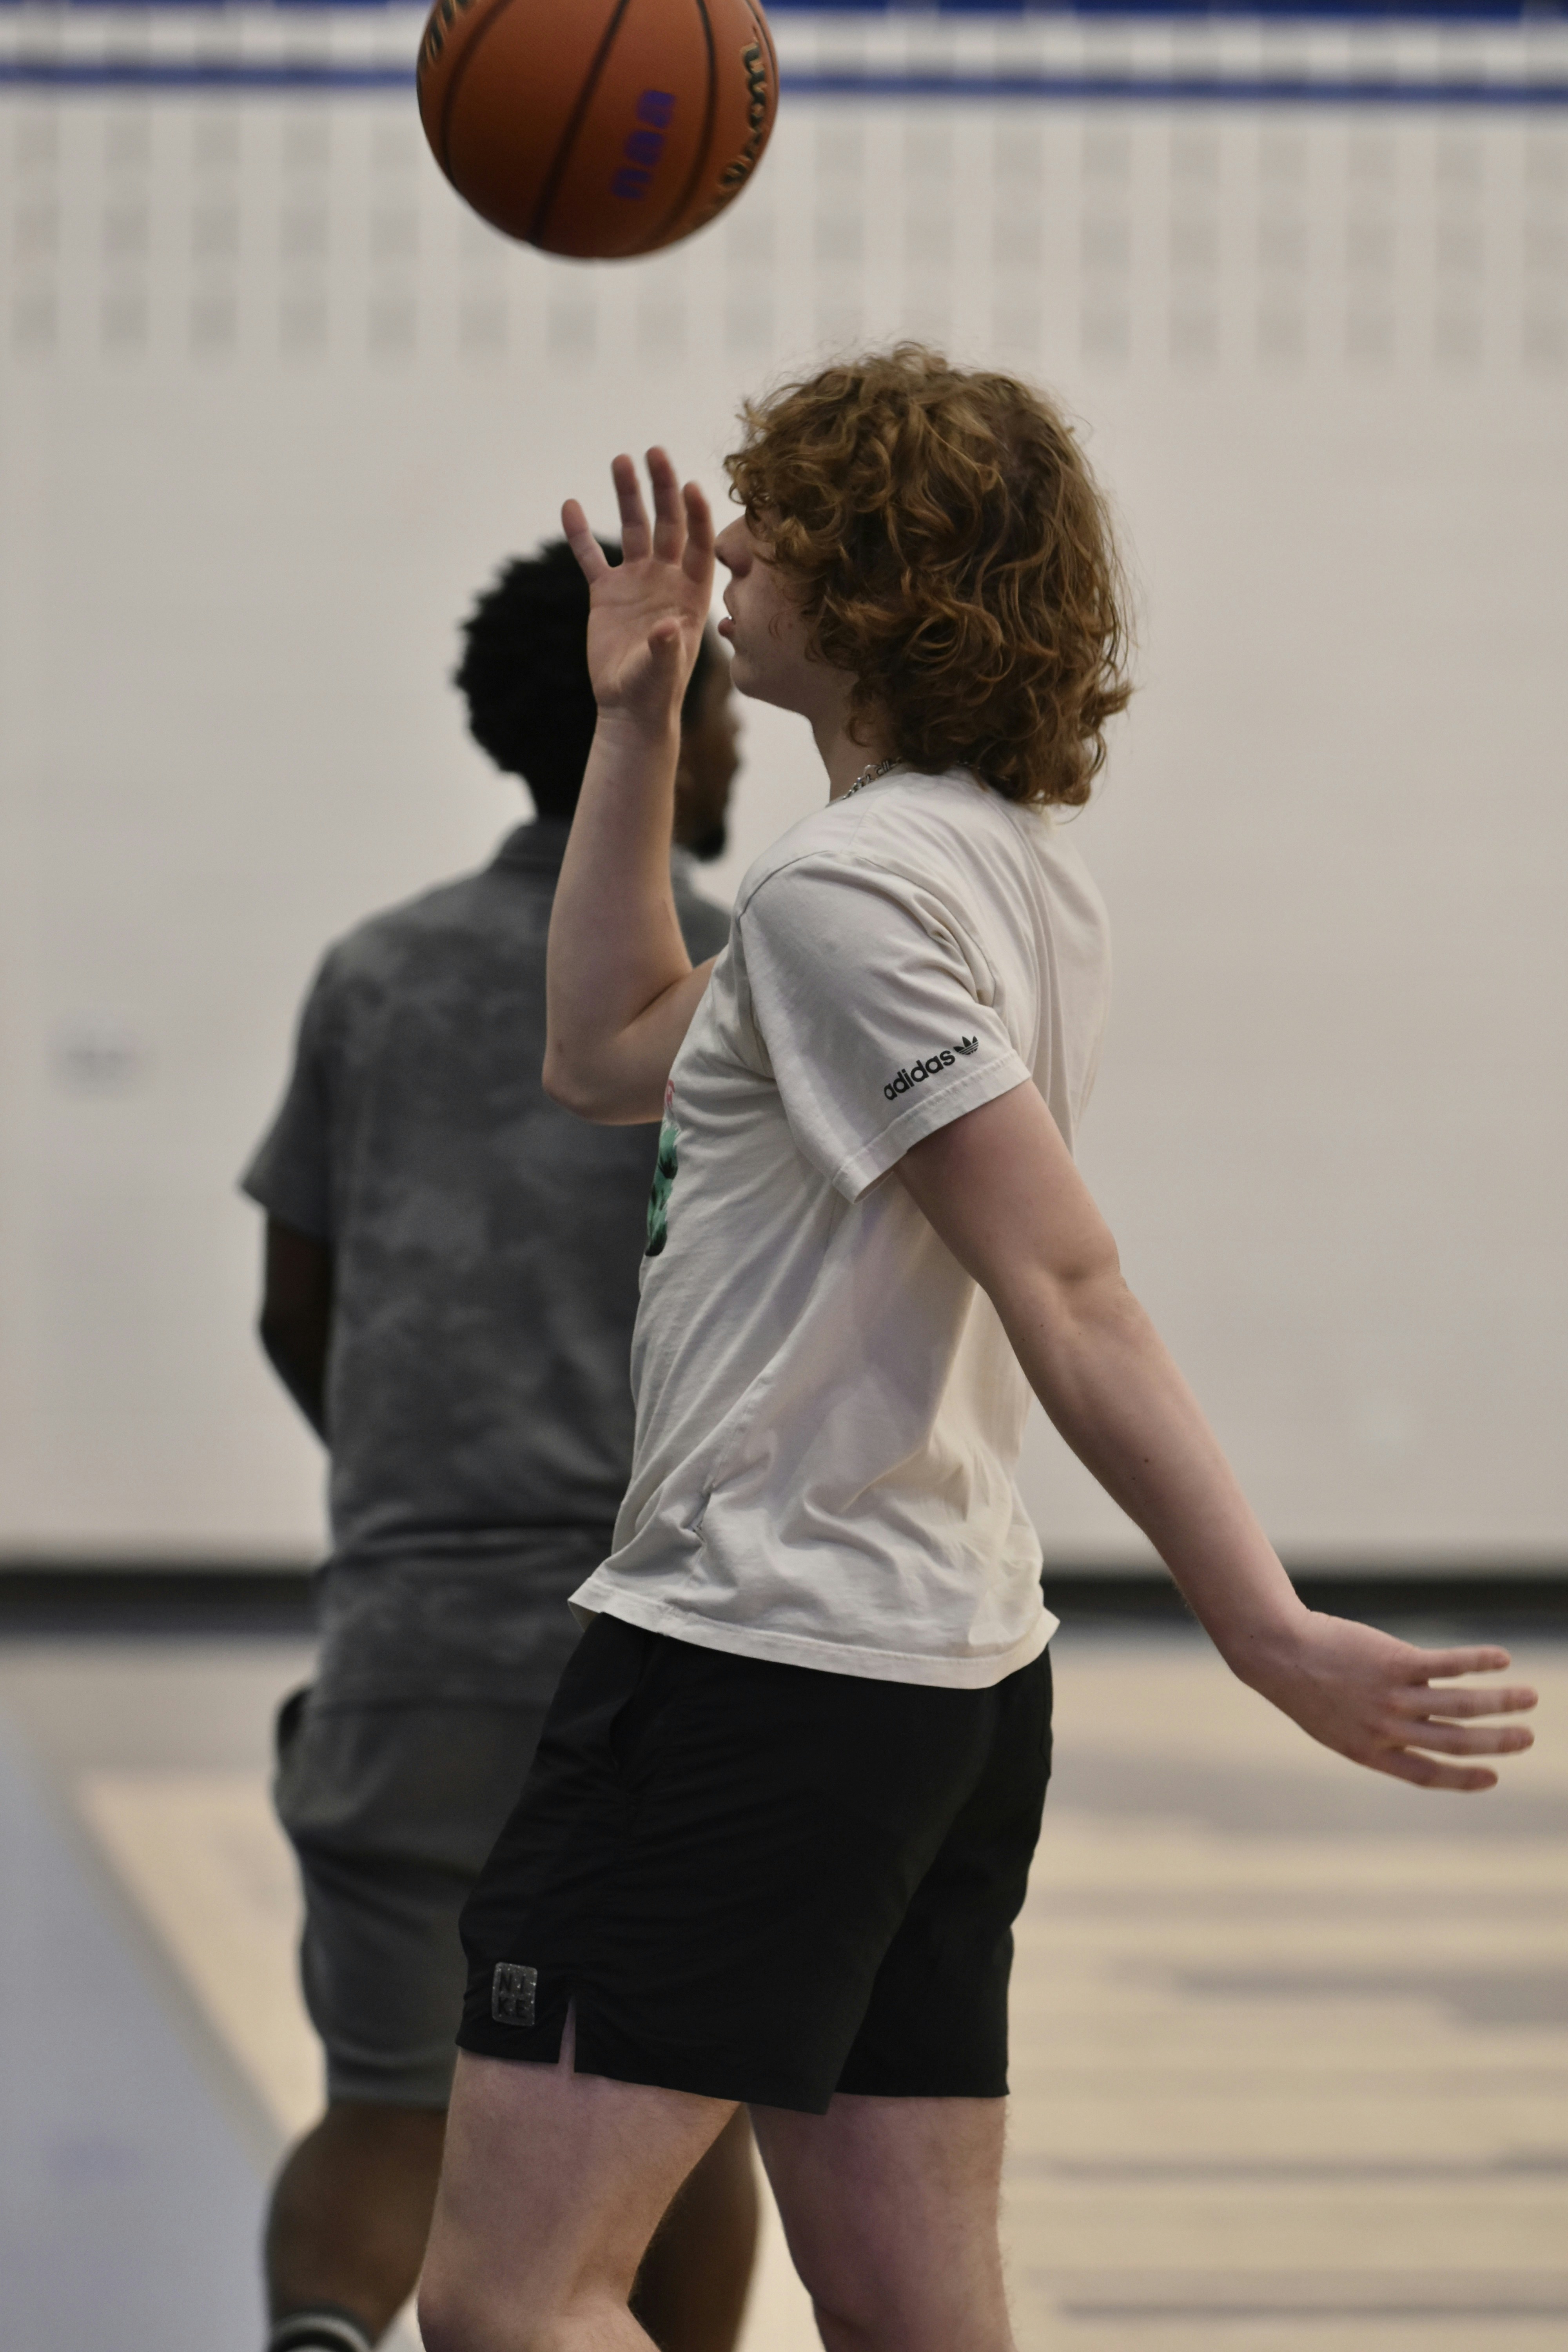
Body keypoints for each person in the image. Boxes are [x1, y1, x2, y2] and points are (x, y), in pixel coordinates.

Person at [415, 348, 1539, 2352]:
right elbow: (600, 1054)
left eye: (774, 528)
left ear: (874, 585)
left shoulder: (853, 892)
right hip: (936, 1678)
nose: (731, 550)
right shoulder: (996, 868)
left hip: (759, 1655)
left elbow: (1070, 1283)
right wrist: (634, 716)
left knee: (513, 2299)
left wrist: (1262, 1624)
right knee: (919, 2325)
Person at [242, 541, 757, 2352]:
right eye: (718, 704)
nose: (739, 743)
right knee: (675, 2117)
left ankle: (317, 2335)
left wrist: (409, 1499)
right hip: (669, 1645)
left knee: (390, 2098)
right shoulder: (754, 967)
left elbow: (293, 1303)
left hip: (409, 1638)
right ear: (661, 722)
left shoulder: (369, 976)